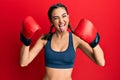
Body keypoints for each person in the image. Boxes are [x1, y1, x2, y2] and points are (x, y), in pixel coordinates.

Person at [20, 3, 105, 80]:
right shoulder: (45, 39)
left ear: (68, 17)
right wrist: (26, 41)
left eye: (64, 16)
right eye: (56, 18)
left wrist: (94, 42)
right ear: (51, 21)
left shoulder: (76, 39)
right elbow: (23, 63)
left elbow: (101, 62)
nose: (61, 21)